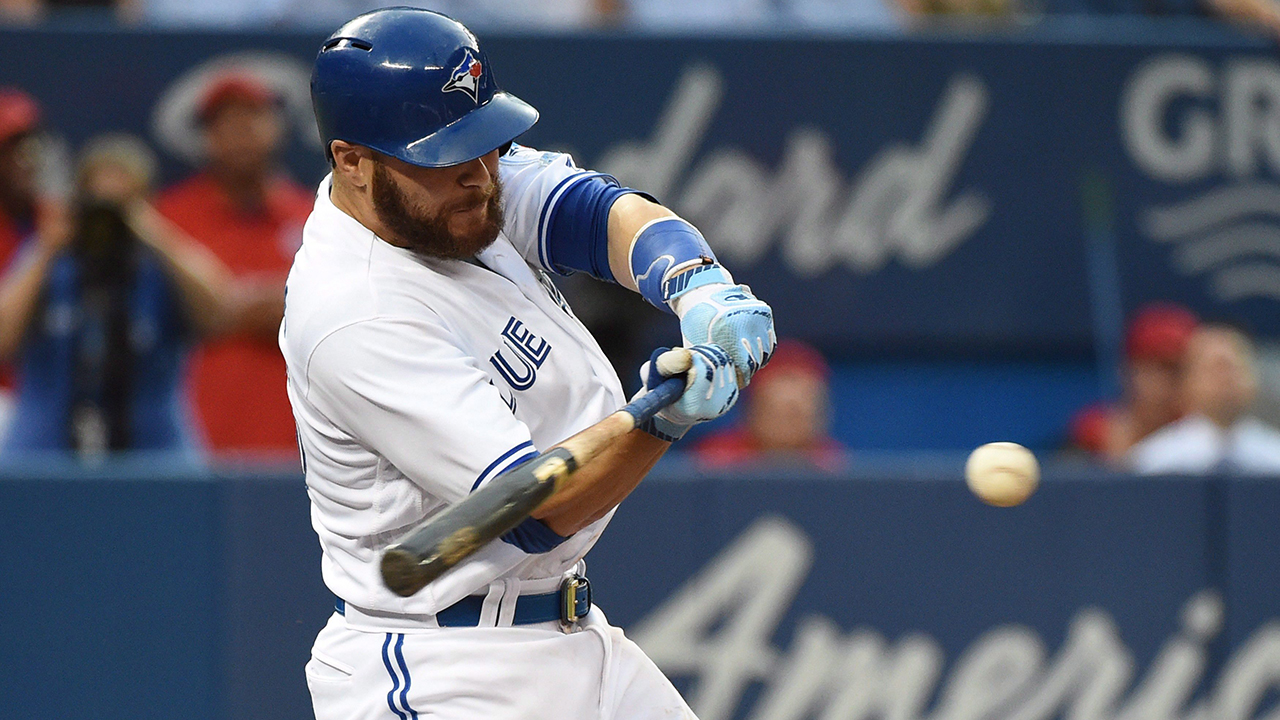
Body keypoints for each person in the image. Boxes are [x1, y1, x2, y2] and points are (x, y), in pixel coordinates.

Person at [283, 8, 774, 719]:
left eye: (486, 145)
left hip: (570, 632)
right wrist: (659, 423)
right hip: (444, 667)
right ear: (353, 161)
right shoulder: (355, 312)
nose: (482, 176)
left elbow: (588, 210)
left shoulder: (446, 191)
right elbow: (539, 510)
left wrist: (696, 282)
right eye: (449, 159)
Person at [0, 133, 240, 455]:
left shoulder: (161, 268)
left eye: (123, 206)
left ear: (147, 206)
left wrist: (157, 236)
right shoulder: (51, 263)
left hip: (156, 453)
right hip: (44, 451)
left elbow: (221, 313)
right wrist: (46, 249)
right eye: (97, 204)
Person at [156, 73, 313, 456]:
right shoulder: (167, 216)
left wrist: (219, 304)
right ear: (207, 137)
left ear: (275, 128)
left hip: (295, 439)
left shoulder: (314, 215)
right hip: (193, 438)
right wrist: (263, 302)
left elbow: (325, 309)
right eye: (225, 124)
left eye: (251, 119)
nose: (240, 133)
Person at [1128, 324, 1280, 475]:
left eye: (1235, 368)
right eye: (1215, 369)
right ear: (1188, 381)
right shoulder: (1155, 461)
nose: (1226, 379)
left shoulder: (1274, 456)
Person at [1069, 303, 1198, 464]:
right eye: (1150, 369)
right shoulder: (1094, 433)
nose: (1161, 383)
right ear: (1126, 371)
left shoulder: (1205, 435)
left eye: (1174, 371)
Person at [694, 339, 845, 470]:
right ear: (752, 410)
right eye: (777, 413)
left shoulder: (832, 465)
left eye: (797, 414)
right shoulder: (716, 461)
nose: (789, 427)